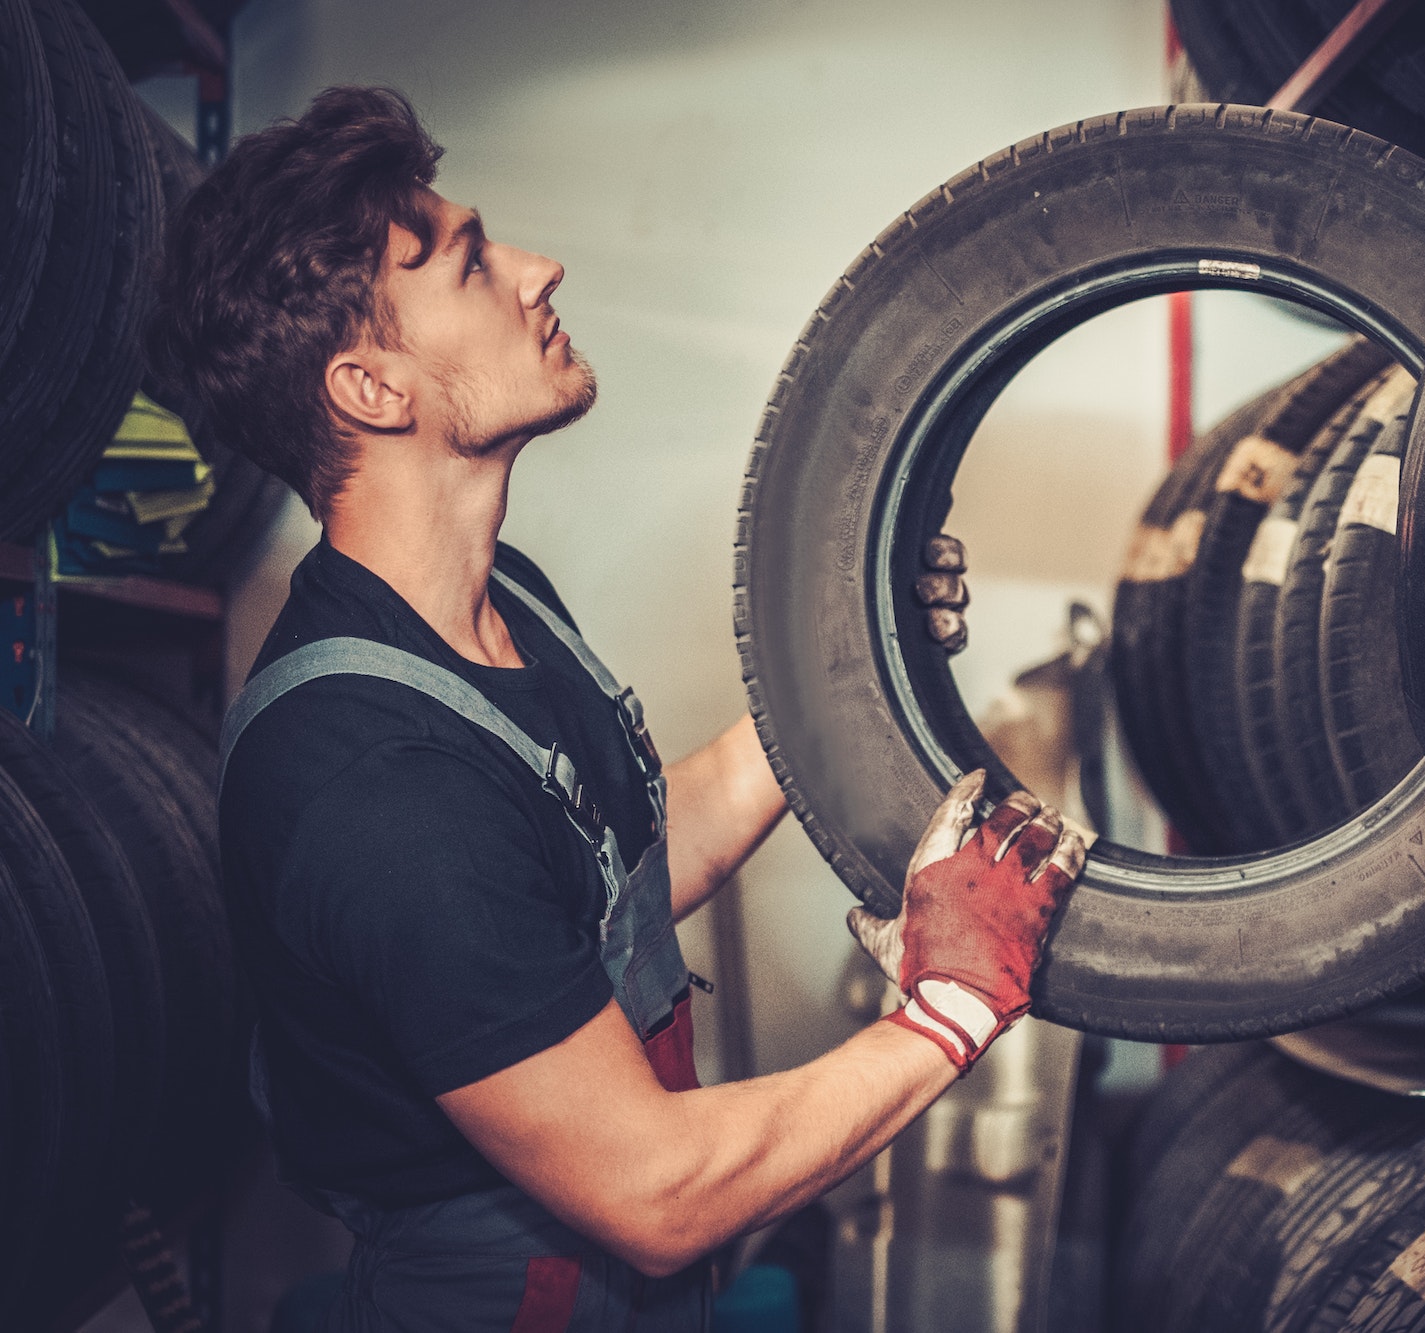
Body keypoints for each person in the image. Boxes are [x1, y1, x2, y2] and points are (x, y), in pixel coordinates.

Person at [157, 86, 1084, 1331]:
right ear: (371, 389)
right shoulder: (367, 778)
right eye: (474, 264)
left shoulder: (504, 602)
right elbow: (654, 1190)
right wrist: (952, 1002)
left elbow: (626, 856)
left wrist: (856, 667)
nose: (540, 269)